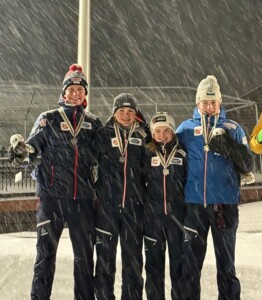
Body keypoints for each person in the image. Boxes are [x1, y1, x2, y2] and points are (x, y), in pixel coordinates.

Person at [8, 64, 102, 300]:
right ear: (63, 92)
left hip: (82, 199)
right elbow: (31, 148)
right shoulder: (48, 119)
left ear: (85, 95)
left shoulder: (93, 123)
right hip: (51, 198)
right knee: (45, 256)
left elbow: (105, 157)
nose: (76, 93)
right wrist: (21, 152)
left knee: (84, 257)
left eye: (80, 89)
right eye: (71, 89)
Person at [175, 75, 254, 300]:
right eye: (205, 102)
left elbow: (248, 163)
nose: (209, 107)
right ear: (197, 102)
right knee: (190, 263)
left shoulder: (233, 128)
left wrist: (229, 145)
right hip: (194, 205)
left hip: (224, 204)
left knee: (226, 264)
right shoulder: (185, 129)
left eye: (213, 102)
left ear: (219, 102)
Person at [93, 93, 149, 300]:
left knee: (133, 263)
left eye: (130, 111)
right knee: (104, 262)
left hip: (134, 209)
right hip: (107, 208)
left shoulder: (144, 135)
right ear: (114, 113)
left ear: (136, 114)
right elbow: (87, 163)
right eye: (121, 111)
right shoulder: (102, 134)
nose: (126, 116)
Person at [143, 112, 187, 300]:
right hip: (152, 218)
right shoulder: (145, 153)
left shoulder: (182, 153)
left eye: (166, 130)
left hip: (177, 218)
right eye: (157, 131)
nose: (162, 135)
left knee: (178, 266)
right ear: (152, 133)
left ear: (172, 131)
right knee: (153, 267)